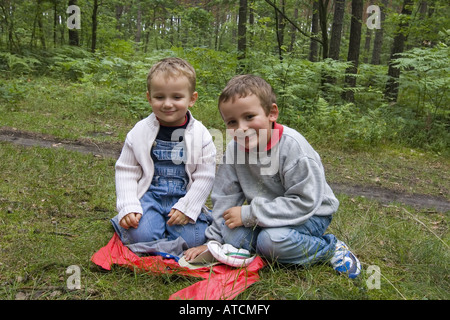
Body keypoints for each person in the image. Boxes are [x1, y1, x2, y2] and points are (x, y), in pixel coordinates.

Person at [184, 75, 361, 278]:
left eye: (249, 117)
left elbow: (305, 201)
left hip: (310, 214)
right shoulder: (235, 149)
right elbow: (225, 196)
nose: (241, 127)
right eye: (232, 122)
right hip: (265, 215)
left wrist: (250, 215)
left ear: (272, 113)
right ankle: (267, 251)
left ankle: (329, 248)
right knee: (231, 234)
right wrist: (212, 242)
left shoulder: (292, 147)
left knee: (271, 241)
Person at [110, 57, 216, 250]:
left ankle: (164, 241)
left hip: (183, 196)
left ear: (192, 99)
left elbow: (205, 176)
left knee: (194, 240)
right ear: (149, 97)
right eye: (160, 97)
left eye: (177, 97)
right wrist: (128, 206)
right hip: (149, 196)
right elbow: (126, 171)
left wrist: (188, 207)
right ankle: (152, 234)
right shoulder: (140, 131)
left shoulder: (201, 134)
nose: (168, 104)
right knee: (141, 234)